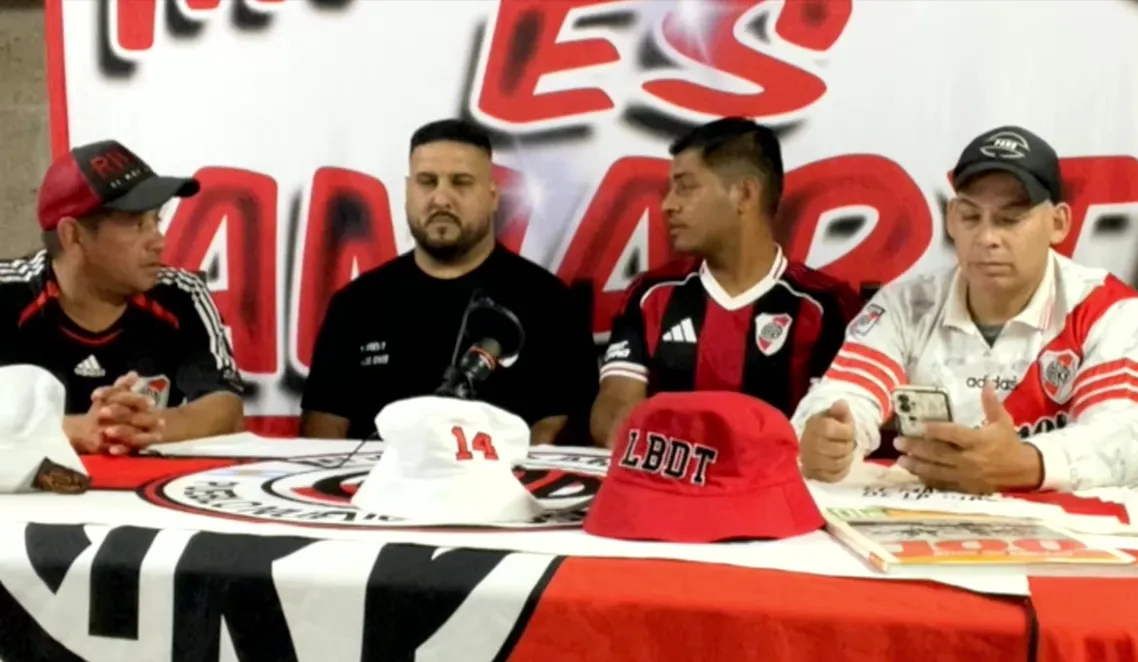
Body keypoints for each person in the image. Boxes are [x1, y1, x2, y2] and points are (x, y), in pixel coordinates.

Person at [793, 125, 1138, 495]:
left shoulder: (1114, 312)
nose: (987, 238)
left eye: (1010, 219)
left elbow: (1127, 438)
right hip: (931, 525)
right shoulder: (905, 306)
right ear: (952, 219)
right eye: (971, 217)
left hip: (1075, 531)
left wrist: (1025, 464)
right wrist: (827, 437)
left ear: (1058, 224)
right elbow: (846, 396)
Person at [300, 119, 598, 443]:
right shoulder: (355, 306)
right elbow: (321, 441)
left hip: (505, 477)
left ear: (493, 195)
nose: (441, 199)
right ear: (407, 192)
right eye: (427, 182)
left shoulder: (550, 303)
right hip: (372, 478)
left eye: (461, 183)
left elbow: (561, 435)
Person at [590, 117, 862, 448]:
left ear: (744, 194)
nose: (668, 204)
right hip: (669, 477)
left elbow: (831, 425)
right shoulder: (651, 294)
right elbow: (613, 409)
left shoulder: (827, 306)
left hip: (778, 481)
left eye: (685, 187)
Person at [0, 140, 246, 455]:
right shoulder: (7, 293)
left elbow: (226, 407)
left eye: (156, 221)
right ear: (73, 235)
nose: (158, 241)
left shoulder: (182, 294)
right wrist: (76, 431)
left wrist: (148, 426)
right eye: (136, 224)